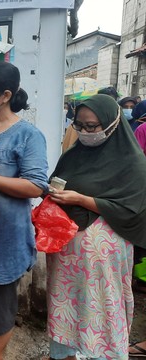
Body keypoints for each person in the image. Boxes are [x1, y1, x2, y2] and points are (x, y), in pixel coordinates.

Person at [47, 94, 146, 359]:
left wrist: (81, 199)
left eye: (92, 126)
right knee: (67, 306)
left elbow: (130, 208)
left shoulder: (133, 163)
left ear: (113, 124)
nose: (85, 132)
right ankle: (66, 353)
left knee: (99, 307)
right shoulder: (74, 155)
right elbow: (57, 179)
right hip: (67, 254)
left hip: (102, 258)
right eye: (79, 125)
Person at [0, 61, 48, 360]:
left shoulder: (27, 135)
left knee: (1, 297)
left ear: (4, 96)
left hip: (5, 232)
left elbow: (36, 186)